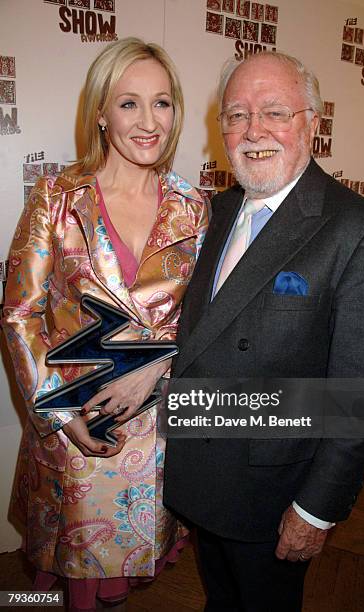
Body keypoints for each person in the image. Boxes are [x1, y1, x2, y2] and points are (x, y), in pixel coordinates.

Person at [164, 51, 364, 611]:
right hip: (203, 474)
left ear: (312, 124)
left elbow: (362, 396)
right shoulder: (213, 212)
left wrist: (317, 508)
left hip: (274, 498)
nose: (253, 132)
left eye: (275, 111)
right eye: (236, 115)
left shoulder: (361, 231)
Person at [2, 37, 209, 612]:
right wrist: (63, 415)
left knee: (122, 580)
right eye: (129, 104)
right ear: (100, 112)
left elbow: (206, 318)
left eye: (162, 103)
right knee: (74, 581)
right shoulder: (57, 199)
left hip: (156, 432)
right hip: (76, 426)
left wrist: (163, 359)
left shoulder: (196, 207)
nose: (149, 123)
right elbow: (20, 315)